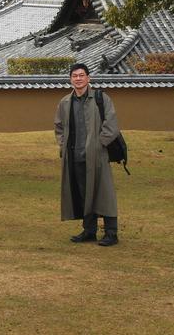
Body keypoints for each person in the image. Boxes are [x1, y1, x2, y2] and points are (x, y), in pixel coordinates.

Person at [54, 63, 121, 246]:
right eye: (74, 75)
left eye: (81, 75)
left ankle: (111, 233)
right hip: (75, 156)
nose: (78, 78)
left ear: (88, 78)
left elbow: (111, 124)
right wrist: (63, 144)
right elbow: (59, 127)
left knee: (104, 193)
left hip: (97, 155)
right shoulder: (65, 102)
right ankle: (89, 230)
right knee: (84, 194)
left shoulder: (101, 98)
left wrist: (100, 144)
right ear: (70, 79)